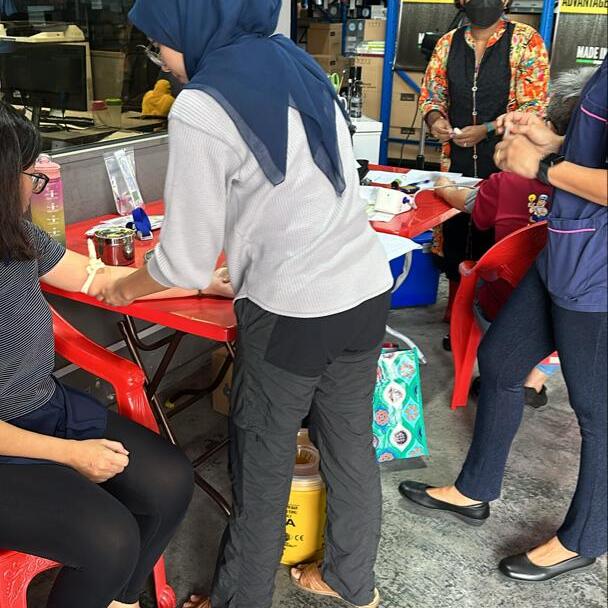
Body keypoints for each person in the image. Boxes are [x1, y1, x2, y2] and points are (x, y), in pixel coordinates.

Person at [99, 2, 393, 608]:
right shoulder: (293, 61)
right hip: (364, 289)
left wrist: (121, 287)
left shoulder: (202, 105)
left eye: (160, 44)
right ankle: (351, 581)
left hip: (293, 313)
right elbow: (299, 193)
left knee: (261, 467)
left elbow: (182, 261)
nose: (162, 61)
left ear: (192, 27)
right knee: (350, 446)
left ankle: (240, 600)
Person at [0, 100, 230, 608]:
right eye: (29, 174)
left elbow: (100, 278)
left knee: (169, 482)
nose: (36, 185)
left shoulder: (16, 236)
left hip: (43, 407)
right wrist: (69, 455)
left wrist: (198, 283)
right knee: (109, 539)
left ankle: (117, 599)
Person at [400, 58, 607, 582]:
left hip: (599, 269)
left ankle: (586, 538)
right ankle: (474, 490)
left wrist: (543, 167)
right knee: (500, 360)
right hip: (566, 248)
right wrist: (553, 141)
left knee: (597, 411)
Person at [434, 66, 595, 407]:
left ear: (548, 126)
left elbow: (472, 206)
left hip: (506, 305)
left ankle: (508, 367)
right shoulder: (594, 198)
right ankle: (534, 380)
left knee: (479, 275)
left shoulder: (508, 180)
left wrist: (443, 187)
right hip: (577, 312)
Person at [419, 0, 550, 338]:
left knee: (496, 239)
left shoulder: (526, 41)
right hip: (458, 160)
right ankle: (456, 312)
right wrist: (435, 120)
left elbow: (533, 106)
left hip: (507, 160)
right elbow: (432, 95)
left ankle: (491, 316)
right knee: (456, 232)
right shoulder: (447, 44)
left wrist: (488, 129)